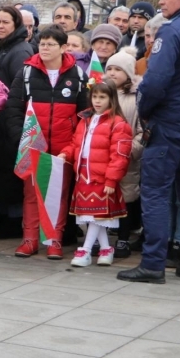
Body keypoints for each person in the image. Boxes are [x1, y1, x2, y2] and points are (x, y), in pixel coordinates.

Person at [120, 0, 180, 284]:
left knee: (155, 192)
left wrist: (145, 112)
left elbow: (155, 82)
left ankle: (153, 264)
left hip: (169, 124)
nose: (162, 2)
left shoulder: (172, 31)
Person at [5, 27, 89, 259]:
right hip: (33, 145)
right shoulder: (26, 73)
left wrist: (72, 148)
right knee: (31, 194)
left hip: (63, 149)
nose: (44, 48)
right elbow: (12, 108)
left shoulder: (79, 76)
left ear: (63, 48)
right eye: (42, 43)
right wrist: (20, 139)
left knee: (58, 195)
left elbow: (85, 116)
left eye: (51, 44)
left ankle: (54, 241)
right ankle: (29, 239)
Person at [58, 81, 131, 267]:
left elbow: (120, 155)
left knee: (96, 216)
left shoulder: (118, 123)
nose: (97, 101)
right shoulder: (85, 120)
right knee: (93, 216)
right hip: (83, 176)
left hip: (102, 178)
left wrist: (111, 179)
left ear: (111, 99)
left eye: (102, 97)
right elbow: (76, 144)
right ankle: (106, 249)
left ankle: (85, 250)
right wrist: (65, 153)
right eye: (95, 96)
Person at [102, 48, 143, 258]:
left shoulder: (136, 98)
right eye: (109, 68)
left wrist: (130, 150)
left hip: (127, 158)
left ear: (128, 73)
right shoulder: (101, 94)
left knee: (126, 196)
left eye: (118, 69)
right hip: (103, 157)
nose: (112, 73)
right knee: (104, 196)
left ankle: (123, 239)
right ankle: (101, 239)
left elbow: (141, 131)